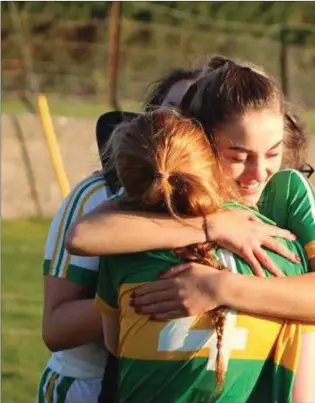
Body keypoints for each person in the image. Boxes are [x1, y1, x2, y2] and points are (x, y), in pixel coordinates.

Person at [39, 63, 297, 403]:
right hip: (90, 382)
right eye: (173, 114)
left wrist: (222, 289)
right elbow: (55, 327)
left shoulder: (254, 198)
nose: (178, 128)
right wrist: (147, 294)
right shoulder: (101, 195)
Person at [67, 58, 315, 326]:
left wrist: (220, 287)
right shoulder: (174, 186)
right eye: (238, 157)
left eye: (272, 153)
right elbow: (84, 236)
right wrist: (211, 226)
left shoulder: (287, 191)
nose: (259, 174)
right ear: (201, 143)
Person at [95, 110, 315, 403]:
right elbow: (302, 393)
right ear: (211, 162)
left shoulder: (121, 250)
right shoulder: (283, 252)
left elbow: (113, 344)